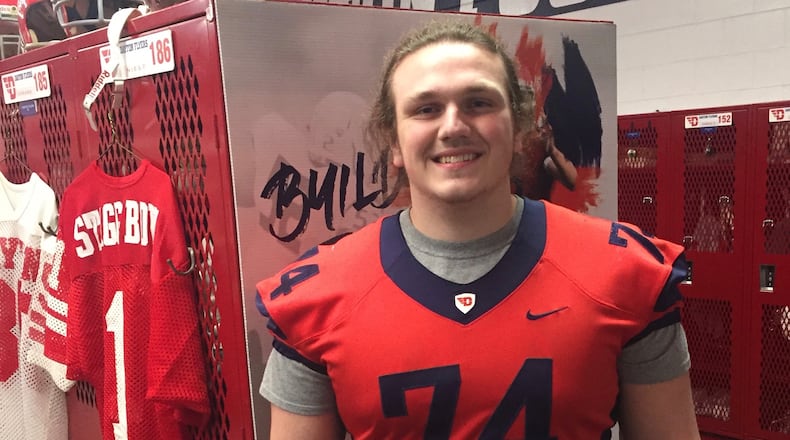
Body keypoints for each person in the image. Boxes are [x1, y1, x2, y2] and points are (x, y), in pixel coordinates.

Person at [256, 19, 700, 439]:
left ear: (518, 125)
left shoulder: (625, 275)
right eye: (426, 109)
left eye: (479, 103)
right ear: (393, 141)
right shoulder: (316, 300)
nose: (453, 126)